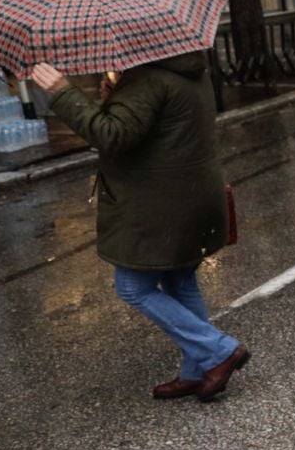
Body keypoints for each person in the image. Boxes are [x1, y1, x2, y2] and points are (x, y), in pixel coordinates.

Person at [28, 54, 250, 402]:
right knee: (179, 279)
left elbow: (111, 137)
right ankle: (197, 370)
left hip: (160, 205)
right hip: (191, 195)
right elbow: (153, 128)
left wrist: (62, 91)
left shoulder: (147, 79)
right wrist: (115, 99)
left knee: (132, 286)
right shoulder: (187, 69)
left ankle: (219, 350)